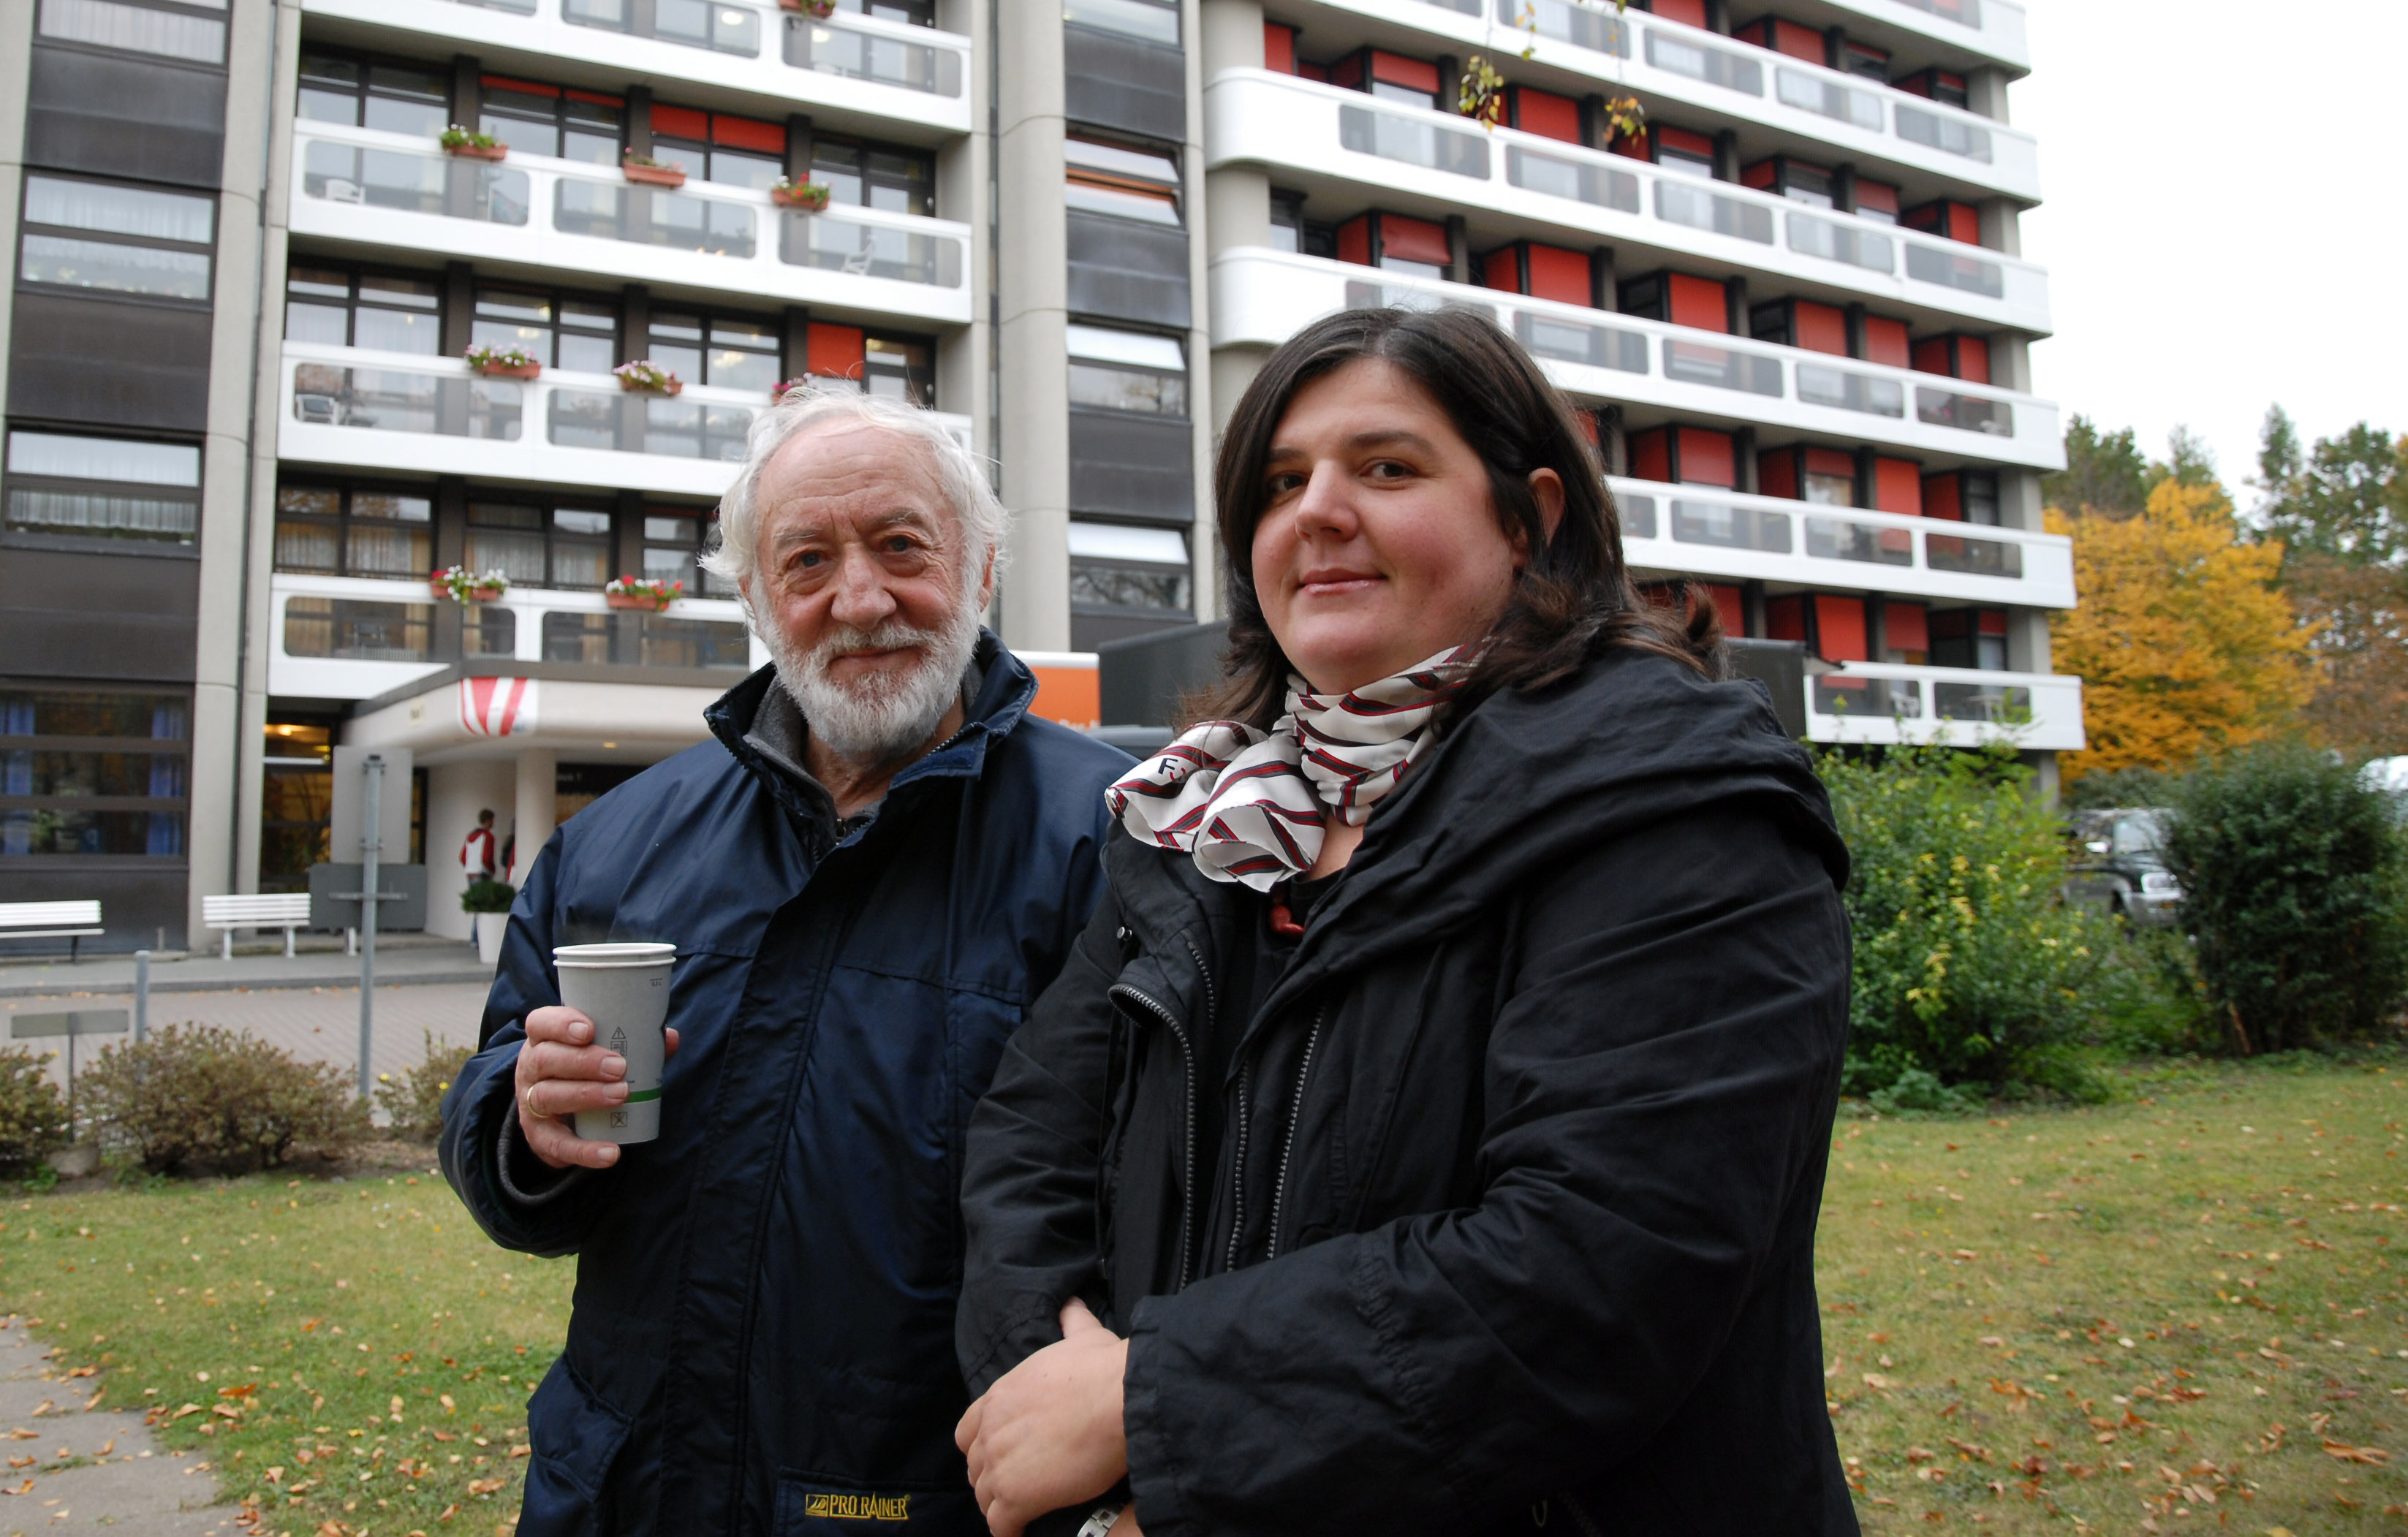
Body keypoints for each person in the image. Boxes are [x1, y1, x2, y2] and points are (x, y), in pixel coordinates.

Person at [953, 308, 1858, 1536]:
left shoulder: (1669, 801)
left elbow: (1603, 1264)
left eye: (1385, 466)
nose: (1317, 509)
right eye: (1280, 481)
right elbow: (1029, 1144)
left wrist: (1147, 1406)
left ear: (1528, 517)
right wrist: (1052, 1377)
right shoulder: (1205, 822)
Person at [439, 387, 1130, 1536]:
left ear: (982, 566)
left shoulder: (1117, 840)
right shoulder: (614, 844)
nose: (859, 600)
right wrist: (520, 1123)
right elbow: (506, 1112)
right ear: (759, 600)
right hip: (620, 1494)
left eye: (902, 545)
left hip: (935, 1506)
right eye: (806, 561)